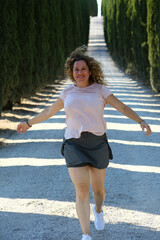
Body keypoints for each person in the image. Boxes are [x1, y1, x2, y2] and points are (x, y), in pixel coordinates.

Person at [17, 46, 152, 240]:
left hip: (98, 144)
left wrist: (141, 121)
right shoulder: (67, 93)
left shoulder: (100, 90)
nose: (79, 72)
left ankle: (98, 210)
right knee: (81, 189)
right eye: (75, 69)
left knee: (98, 190)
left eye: (82, 69)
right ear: (71, 73)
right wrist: (28, 123)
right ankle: (86, 234)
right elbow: (49, 111)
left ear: (90, 71)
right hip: (74, 144)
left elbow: (121, 106)